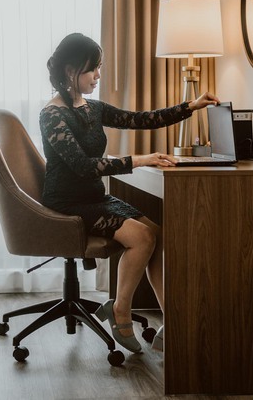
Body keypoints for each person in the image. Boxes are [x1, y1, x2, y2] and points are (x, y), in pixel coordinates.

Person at [39, 32, 219, 353]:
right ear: (71, 71)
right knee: (143, 238)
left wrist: (191, 106)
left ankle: (172, 322)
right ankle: (120, 309)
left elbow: (140, 120)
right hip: (68, 203)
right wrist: (140, 160)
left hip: (95, 198)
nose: (98, 75)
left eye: (100, 68)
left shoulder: (91, 108)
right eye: (92, 69)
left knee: (156, 234)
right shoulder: (51, 115)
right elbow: (82, 166)